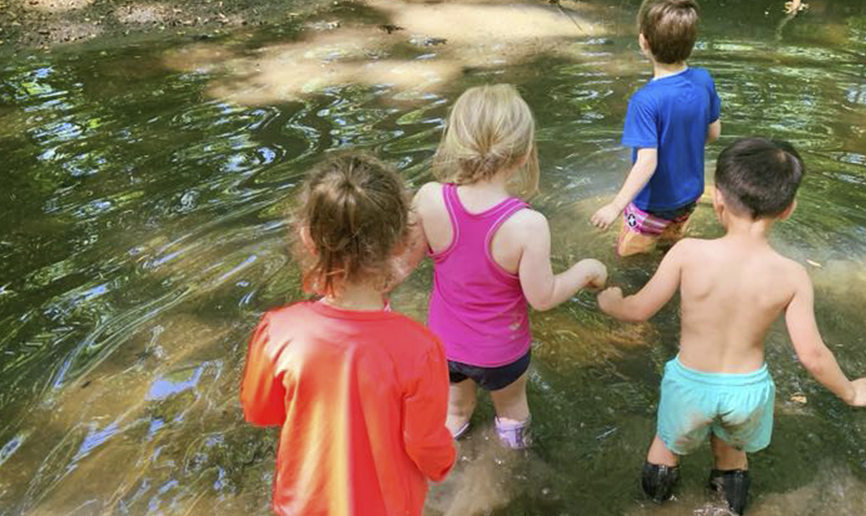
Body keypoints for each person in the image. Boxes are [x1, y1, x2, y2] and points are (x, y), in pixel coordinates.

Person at [597, 138, 866, 514]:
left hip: (690, 386)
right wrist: (851, 392)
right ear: (788, 210)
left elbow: (638, 310)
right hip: (747, 392)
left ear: (718, 200)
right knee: (731, 457)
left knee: (665, 448)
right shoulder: (792, 276)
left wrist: (611, 301)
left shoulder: (688, 253)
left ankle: (655, 507)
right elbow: (813, 356)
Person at [240, 153, 455, 516]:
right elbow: (426, 446)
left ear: (309, 239)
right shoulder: (422, 348)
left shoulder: (277, 331)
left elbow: (261, 411)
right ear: (402, 242)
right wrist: (450, 459)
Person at [403, 84, 607, 449]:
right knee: (512, 412)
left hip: (444, 345)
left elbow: (403, 263)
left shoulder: (429, 197)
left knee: (455, 410)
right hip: (501, 352)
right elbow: (542, 297)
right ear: (523, 155)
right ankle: (510, 477)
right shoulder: (527, 224)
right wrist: (587, 269)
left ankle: (444, 468)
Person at [590, 0, 722, 257]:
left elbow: (647, 163)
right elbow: (713, 133)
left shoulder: (645, 101)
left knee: (627, 258)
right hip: (689, 197)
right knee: (671, 249)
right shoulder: (704, 80)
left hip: (652, 204)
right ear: (692, 43)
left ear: (643, 42)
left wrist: (615, 206)